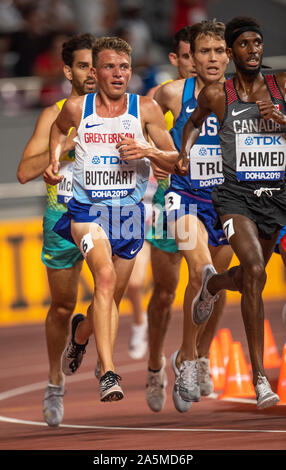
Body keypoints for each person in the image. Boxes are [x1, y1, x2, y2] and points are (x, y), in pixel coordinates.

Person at [44, 36, 178, 404]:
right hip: (87, 212)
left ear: (130, 71)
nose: (117, 74)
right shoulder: (76, 108)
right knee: (103, 279)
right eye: (108, 67)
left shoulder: (146, 109)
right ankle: (108, 372)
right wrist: (56, 159)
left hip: (130, 215)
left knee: (109, 301)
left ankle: (82, 335)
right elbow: (57, 129)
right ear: (96, 72)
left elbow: (175, 161)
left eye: (124, 67)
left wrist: (148, 150)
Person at [177, 16, 286, 409]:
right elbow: (192, 123)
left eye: (258, 42)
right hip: (234, 193)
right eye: (245, 44)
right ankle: (260, 378)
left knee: (248, 276)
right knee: (255, 271)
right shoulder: (216, 94)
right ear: (231, 52)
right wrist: (186, 151)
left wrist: (282, 122)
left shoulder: (281, 85)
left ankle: (213, 285)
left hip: (277, 196)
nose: (254, 49)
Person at [146, 19, 233, 414]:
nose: (212, 58)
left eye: (219, 51)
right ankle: (184, 361)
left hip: (229, 202)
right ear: (191, 58)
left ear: (227, 55)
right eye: (204, 52)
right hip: (185, 198)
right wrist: (157, 155)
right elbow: (135, 119)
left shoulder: (242, 95)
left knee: (217, 288)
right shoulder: (170, 93)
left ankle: (193, 355)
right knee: (201, 274)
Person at [17, 33, 97, 427]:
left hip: (107, 215)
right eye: (83, 65)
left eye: (97, 64)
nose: (93, 72)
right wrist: (64, 145)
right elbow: (23, 172)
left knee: (111, 293)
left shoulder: (125, 111)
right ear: (68, 71)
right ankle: (54, 381)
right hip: (61, 218)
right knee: (64, 306)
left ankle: (88, 341)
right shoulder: (53, 114)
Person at [127, 25, 197, 361]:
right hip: (165, 201)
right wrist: (154, 154)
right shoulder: (161, 96)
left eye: (203, 54)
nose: (196, 63)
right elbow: (131, 139)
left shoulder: (226, 94)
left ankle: (197, 357)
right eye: (187, 56)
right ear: (176, 58)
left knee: (207, 282)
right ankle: (155, 360)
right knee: (163, 291)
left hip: (211, 198)